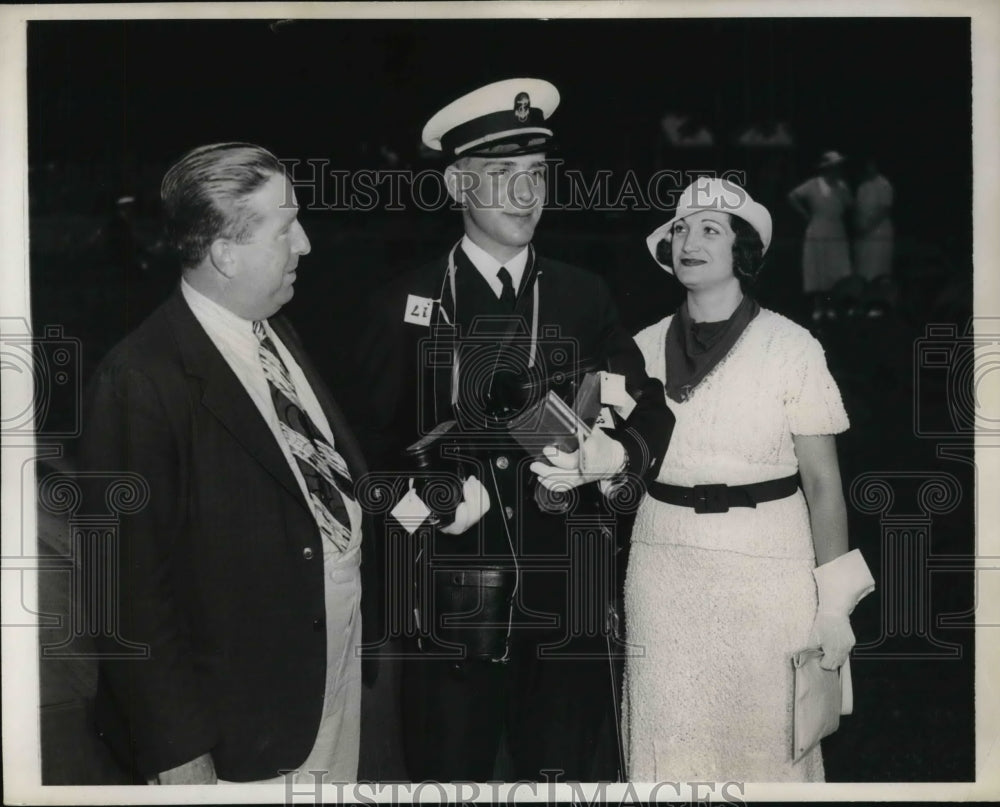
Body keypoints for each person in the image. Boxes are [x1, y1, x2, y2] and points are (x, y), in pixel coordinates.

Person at [358, 78, 673, 782]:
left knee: (561, 778)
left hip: (567, 609)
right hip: (451, 612)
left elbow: (648, 406)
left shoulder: (581, 294)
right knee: (450, 779)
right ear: (457, 186)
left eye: (535, 176)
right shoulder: (404, 306)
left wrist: (613, 453)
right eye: (501, 176)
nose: (525, 195)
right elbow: (364, 462)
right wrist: (430, 496)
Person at [78, 143, 377, 784]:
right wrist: (178, 750)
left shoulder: (273, 329)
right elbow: (126, 592)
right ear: (225, 252)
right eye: (286, 225)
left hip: (326, 679)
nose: (305, 244)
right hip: (241, 725)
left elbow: (306, 472)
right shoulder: (140, 381)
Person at [623, 177, 874, 781]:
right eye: (681, 229)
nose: (689, 241)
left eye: (711, 230)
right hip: (664, 571)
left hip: (768, 570)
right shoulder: (639, 347)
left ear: (743, 251)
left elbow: (823, 486)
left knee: (766, 743)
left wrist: (834, 605)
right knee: (667, 738)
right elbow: (626, 465)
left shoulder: (792, 347)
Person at [788, 150, 854, 322]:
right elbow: (793, 196)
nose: (837, 170)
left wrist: (841, 191)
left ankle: (832, 306)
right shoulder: (813, 184)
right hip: (818, 228)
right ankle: (819, 307)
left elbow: (849, 204)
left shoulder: (841, 186)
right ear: (828, 168)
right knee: (818, 267)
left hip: (836, 230)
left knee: (835, 268)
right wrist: (805, 214)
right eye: (835, 167)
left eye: (839, 167)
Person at [853, 157, 895, 283]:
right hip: (863, 234)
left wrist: (868, 228)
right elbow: (857, 209)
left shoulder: (884, 185)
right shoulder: (862, 186)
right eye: (867, 165)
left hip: (879, 232)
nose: (869, 167)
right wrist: (858, 227)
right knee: (862, 268)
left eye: (872, 164)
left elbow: (884, 210)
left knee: (877, 269)